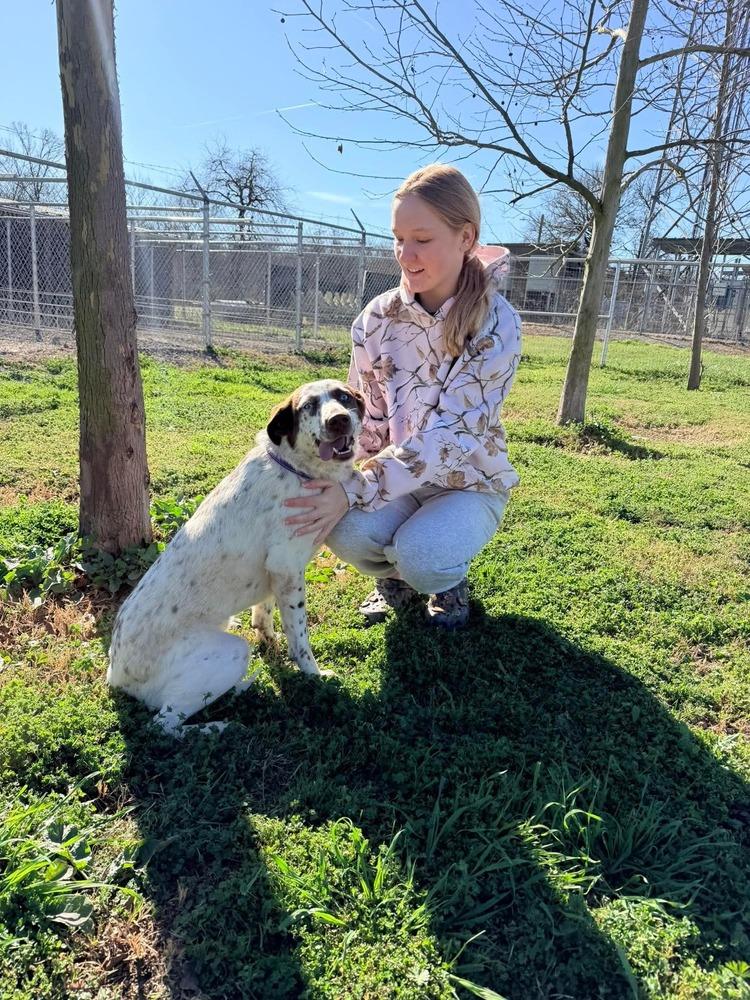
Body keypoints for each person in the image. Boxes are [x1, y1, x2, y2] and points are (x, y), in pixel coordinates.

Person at [284, 163, 522, 630]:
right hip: (399, 478)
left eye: (422, 239)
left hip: (469, 484)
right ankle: (395, 580)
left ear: (466, 238)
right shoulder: (376, 319)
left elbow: (449, 435)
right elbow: (367, 417)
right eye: (398, 238)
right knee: (341, 527)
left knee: (423, 554)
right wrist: (332, 479)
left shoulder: (497, 323)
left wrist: (357, 489)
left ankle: (443, 580)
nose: (405, 255)